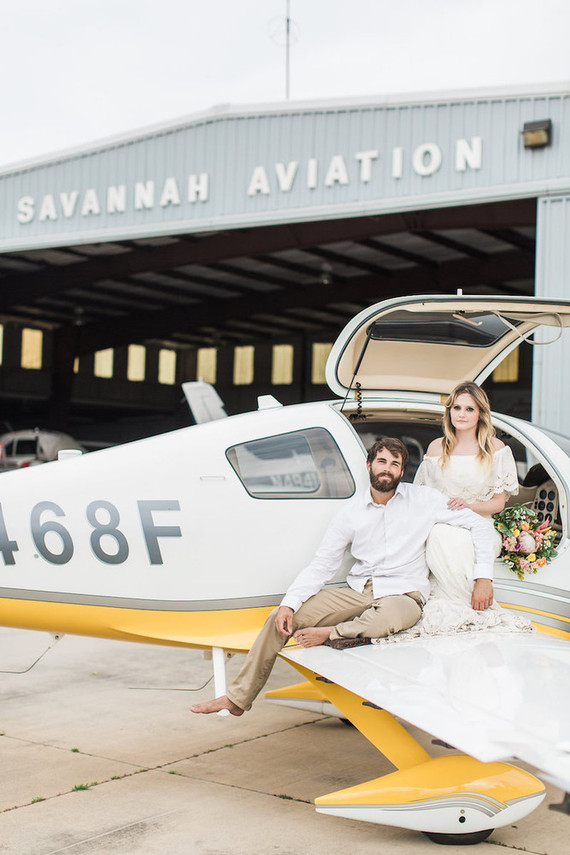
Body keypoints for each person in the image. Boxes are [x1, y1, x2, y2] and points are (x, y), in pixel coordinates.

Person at [190, 436, 497, 717]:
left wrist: (483, 578)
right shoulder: (350, 513)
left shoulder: (424, 500)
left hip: (403, 594)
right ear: (369, 465)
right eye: (382, 461)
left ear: (402, 472)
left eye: (395, 464)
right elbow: (322, 565)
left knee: (385, 618)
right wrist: (289, 604)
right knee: (278, 618)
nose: (387, 469)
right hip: (359, 590)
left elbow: (480, 526)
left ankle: (332, 634)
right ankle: (238, 698)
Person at [411, 381, 530, 635]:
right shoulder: (436, 448)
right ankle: (461, 610)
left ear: (480, 414)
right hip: (442, 525)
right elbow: (423, 498)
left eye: (469, 409)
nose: (462, 414)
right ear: (449, 412)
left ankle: (471, 607)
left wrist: (470, 507)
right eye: (457, 408)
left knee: (452, 540)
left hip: (481, 526)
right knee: (439, 536)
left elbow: (498, 504)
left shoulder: (495, 450)